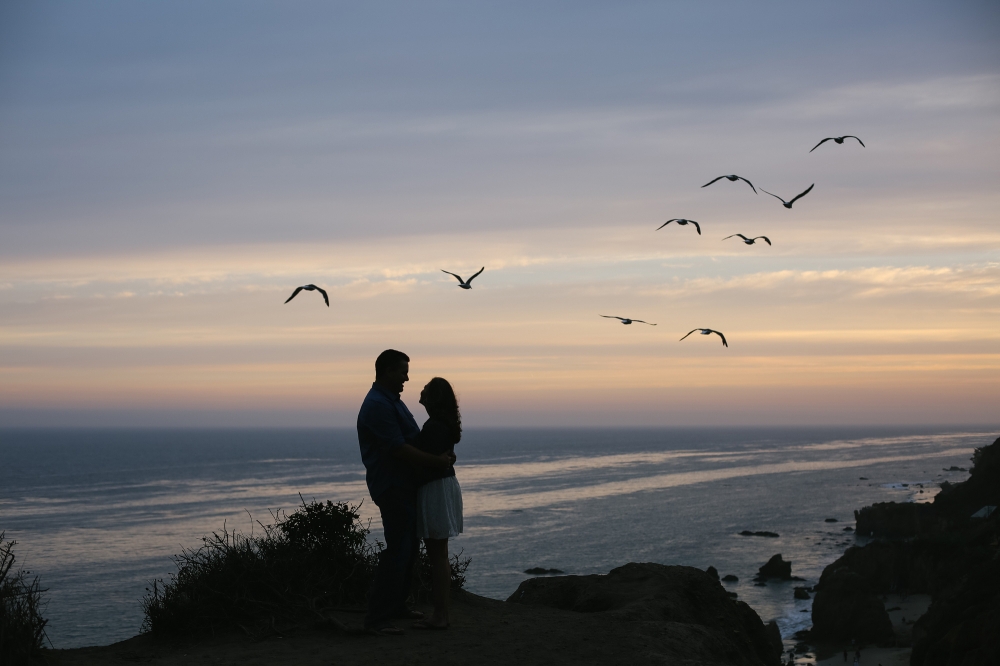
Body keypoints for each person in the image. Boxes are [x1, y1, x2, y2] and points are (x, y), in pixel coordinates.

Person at [357, 349, 456, 635]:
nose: (407, 378)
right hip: (392, 486)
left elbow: (415, 441)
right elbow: (398, 448)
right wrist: (436, 461)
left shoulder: (392, 402)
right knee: (398, 550)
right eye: (402, 372)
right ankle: (377, 618)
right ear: (387, 371)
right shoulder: (378, 404)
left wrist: (439, 455)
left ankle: (396, 606)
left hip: (404, 485)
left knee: (408, 548)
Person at [411, 377, 464, 630]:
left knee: (437, 556)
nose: (420, 389)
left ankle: (440, 615)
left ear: (434, 397)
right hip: (443, 486)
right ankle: (442, 613)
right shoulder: (442, 424)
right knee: (439, 555)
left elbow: (426, 461)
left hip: (435, 489)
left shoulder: (434, 426)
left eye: (426, 388)